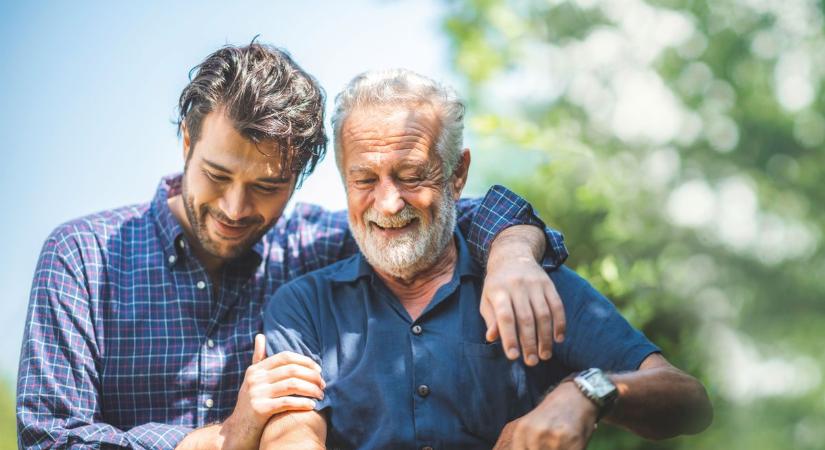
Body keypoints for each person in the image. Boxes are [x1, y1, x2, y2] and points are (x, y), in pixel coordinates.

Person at [15, 43, 572, 449]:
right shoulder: (82, 258)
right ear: (186, 142)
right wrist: (219, 441)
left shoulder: (317, 244)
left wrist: (512, 252)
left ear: (301, 177)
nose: (236, 209)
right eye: (215, 175)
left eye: (266, 187)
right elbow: (49, 441)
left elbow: (438, 212)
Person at [260, 69, 714, 450]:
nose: (389, 203)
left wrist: (587, 391)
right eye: (364, 179)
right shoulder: (304, 305)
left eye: (412, 175)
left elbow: (689, 402)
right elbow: (292, 431)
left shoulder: (530, 284)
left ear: (457, 174)